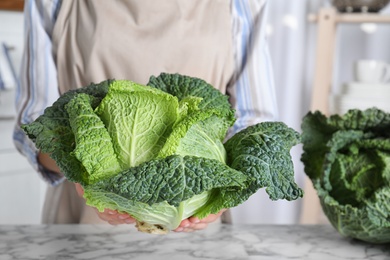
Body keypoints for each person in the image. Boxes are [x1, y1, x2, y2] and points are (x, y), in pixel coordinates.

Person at [14, 0, 278, 232]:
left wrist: (220, 198)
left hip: (198, 222)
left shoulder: (243, 3)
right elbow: (34, 127)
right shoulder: (49, 2)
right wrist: (85, 175)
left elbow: (256, 126)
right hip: (83, 225)